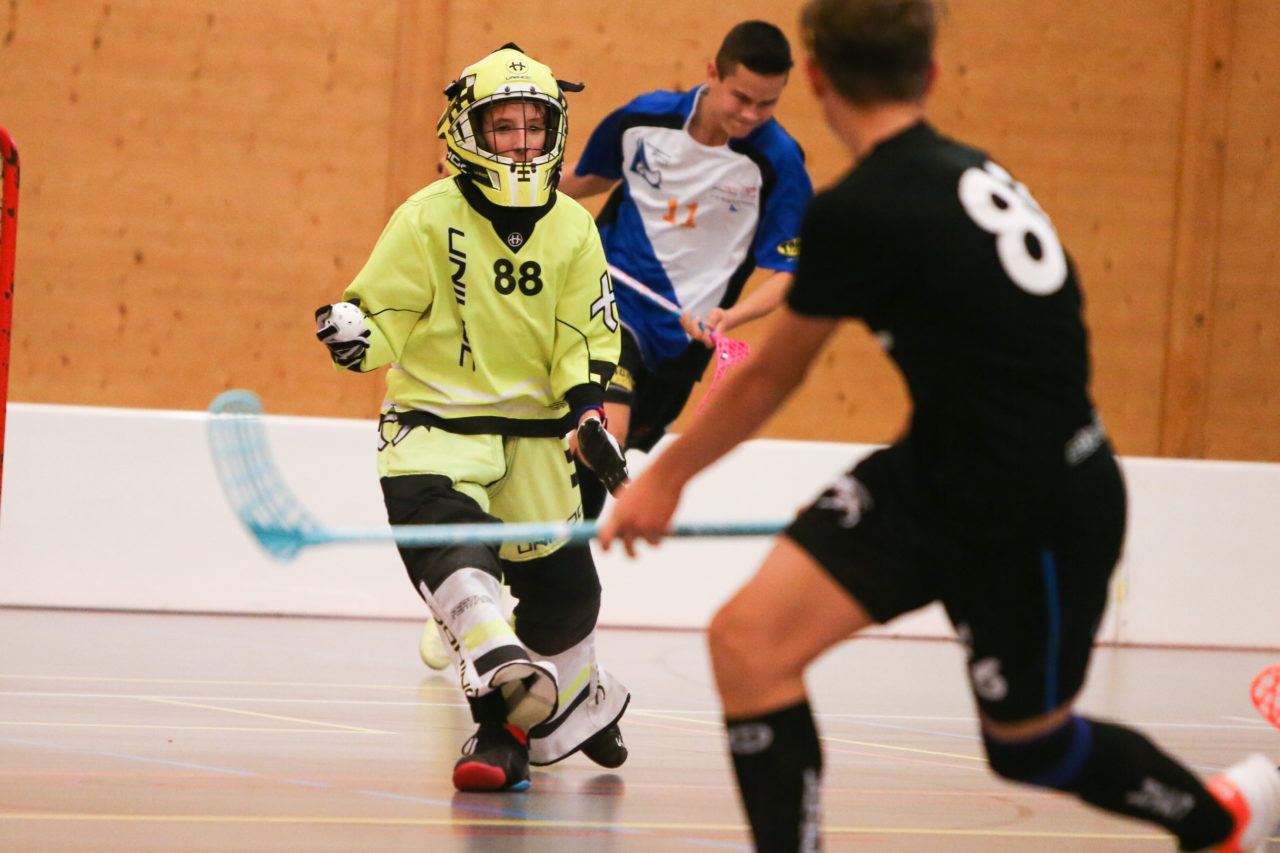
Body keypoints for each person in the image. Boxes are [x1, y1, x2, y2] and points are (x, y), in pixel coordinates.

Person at [600, 2, 1280, 851]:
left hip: (1035, 497)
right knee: (748, 644)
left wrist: (661, 478)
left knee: (1027, 747)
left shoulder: (867, 206)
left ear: (813, 80)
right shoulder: (974, 171)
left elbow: (773, 374)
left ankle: (1223, 817)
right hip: (941, 473)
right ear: (928, 76)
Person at [315, 44, 632, 793]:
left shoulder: (574, 231)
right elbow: (382, 318)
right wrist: (353, 330)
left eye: (533, 125)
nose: (521, 140)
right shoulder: (424, 219)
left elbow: (585, 340)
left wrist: (589, 418)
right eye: (504, 126)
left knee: (567, 599)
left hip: (534, 442)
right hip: (432, 432)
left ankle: (542, 710)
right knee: (457, 551)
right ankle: (501, 687)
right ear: (469, 130)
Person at [557, 20, 814, 520]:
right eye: (741, 97)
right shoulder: (643, 118)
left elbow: (789, 271)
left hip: (683, 340)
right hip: (611, 299)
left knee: (594, 461)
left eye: (767, 104)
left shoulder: (778, 161)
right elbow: (589, 178)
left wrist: (730, 317)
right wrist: (504, 188)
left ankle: (566, 545)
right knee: (607, 420)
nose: (750, 114)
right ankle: (595, 441)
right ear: (712, 72)